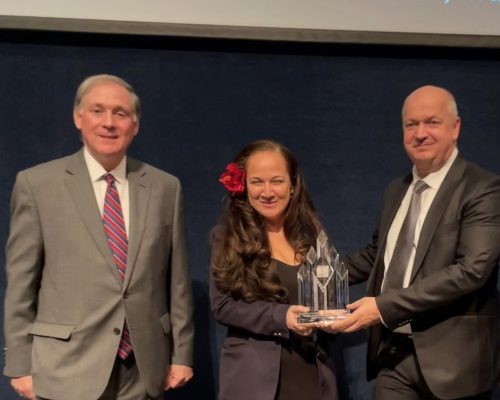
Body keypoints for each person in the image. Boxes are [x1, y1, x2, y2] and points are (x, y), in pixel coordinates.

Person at [3, 74, 194, 399]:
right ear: (78, 117)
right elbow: (21, 283)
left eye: (120, 113)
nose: (109, 123)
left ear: (135, 125)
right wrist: (20, 364)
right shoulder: (37, 185)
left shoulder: (165, 188)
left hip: (143, 369)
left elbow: (177, 282)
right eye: (97, 111)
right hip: (64, 369)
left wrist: (182, 355)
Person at [325, 86, 500, 399]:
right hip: (394, 357)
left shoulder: (483, 189)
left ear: (455, 127)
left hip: (455, 365)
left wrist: (383, 307)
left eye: (432, 122)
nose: (420, 133)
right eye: (411, 124)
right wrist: (312, 274)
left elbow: (472, 270)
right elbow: (378, 255)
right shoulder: (397, 189)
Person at [210, 140, 338, 400]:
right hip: (254, 382)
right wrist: (283, 317)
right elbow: (223, 306)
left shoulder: (312, 235)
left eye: (277, 181)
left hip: (310, 374)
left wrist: (333, 317)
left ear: (292, 185)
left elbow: (328, 296)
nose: (267, 192)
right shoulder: (227, 236)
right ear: (244, 186)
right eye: (257, 182)